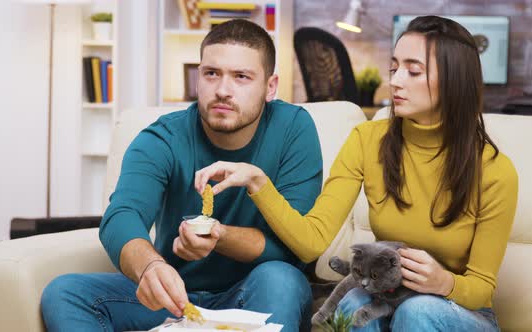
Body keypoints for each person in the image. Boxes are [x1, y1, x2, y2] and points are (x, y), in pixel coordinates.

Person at [195, 16, 518, 331]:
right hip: (388, 299)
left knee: (417, 311)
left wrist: (444, 282)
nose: (395, 80)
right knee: (351, 304)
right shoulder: (368, 140)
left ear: (453, 79)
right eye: (394, 68)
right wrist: (258, 182)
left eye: (413, 71)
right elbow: (312, 242)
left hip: (456, 312)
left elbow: (482, 288)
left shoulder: (494, 171)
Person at [40, 19, 323, 332]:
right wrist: (150, 266)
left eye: (241, 77)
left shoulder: (294, 130)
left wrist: (219, 237)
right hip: (173, 298)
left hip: (255, 293)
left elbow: (296, 245)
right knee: (64, 293)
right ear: (198, 76)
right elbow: (122, 216)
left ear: (270, 87)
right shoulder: (162, 137)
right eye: (211, 73)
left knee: (282, 278)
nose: (222, 91)